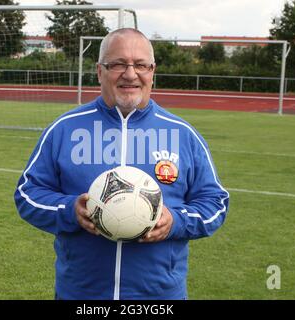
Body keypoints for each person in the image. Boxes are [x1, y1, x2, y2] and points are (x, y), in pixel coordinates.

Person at [14, 28, 229, 300]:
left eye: (140, 64)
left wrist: (175, 221)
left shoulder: (183, 135)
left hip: (159, 297)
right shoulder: (64, 129)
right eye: (117, 64)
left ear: (153, 71)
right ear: (99, 71)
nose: (130, 74)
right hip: (81, 294)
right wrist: (70, 211)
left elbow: (215, 203)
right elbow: (27, 194)